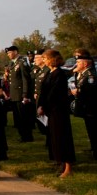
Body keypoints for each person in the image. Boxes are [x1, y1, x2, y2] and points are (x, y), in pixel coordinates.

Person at [37, 49, 75, 178]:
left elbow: (54, 93)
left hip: (58, 110)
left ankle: (68, 166)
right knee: (54, 138)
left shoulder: (59, 74)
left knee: (62, 137)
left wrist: (45, 106)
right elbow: (43, 91)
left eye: (46, 58)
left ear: (53, 59)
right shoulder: (49, 73)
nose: (44, 60)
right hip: (50, 111)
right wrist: (40, 105)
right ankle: (59, 161)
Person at [71, 49, 97, 160]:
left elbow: (90, 92)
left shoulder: (89, 76)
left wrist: (78, 91)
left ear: (85, 64)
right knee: (92, 131)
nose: (76, 64)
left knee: (96, 132)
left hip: (93, 108)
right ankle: (95, 150)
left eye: (79, 63)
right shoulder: (82, 74)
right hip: (88, 108)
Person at [5, 45, 35, 142]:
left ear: (15, 52)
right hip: (14, 93)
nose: (8, 54)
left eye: (10, 52)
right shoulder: (11, 63)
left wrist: (25, 94)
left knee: (23, 116)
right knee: (17, 117)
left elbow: (25, 79)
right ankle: (22, 135)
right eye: (8, 53)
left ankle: (27, 136)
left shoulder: (21, 62)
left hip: (20, 93)